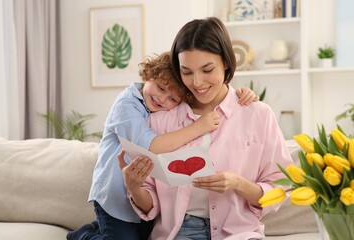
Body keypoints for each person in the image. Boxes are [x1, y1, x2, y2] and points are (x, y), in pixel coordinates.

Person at [119, 17, 294, 240]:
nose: (197, 82)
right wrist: (134, 187)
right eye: (187, 72)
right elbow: (150, 198)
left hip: (239, 232)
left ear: (227, 63)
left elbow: (281, 188)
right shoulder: (162, 120)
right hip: (178, 232)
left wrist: (237, 183)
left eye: (207, 69)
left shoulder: (257, 115)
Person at [67, 51, 258, 240]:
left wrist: (239, 93)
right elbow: (152, 146)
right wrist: (198, 127)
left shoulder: (159, 114)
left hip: (143, 202)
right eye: (160, 88)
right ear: (149, 74)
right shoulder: (126, 105)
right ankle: (83, 236)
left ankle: (95, 229)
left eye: (173, 99)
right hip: (116, 197)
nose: (162, 99)